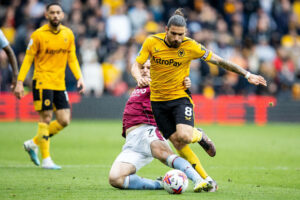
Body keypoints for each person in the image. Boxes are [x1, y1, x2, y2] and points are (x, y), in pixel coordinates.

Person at [131, 8, 267, 187]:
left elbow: (219, 61)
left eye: (181, 34)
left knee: (185, 136)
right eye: (174, 34)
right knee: (178, 145)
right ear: (166, 29)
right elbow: (136, 64)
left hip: (180, 97)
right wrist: (138, 77)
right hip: (158, 102)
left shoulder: (190, 46)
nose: (178, 38)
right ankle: (206, 179)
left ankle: (199, 135)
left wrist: (247, 74)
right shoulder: (151, 42)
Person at [109, 60, 217, 192]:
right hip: (132, 143)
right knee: (115, 179)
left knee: (167, 153)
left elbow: (174, 85)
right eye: (142, 68)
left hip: (147, 131)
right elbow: (134, 65)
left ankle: (199, 180)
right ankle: (159, 184)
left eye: (149, 68)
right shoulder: (141, 84)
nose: (145, 70)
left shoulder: (159, 84)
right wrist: (138, 75)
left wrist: (184, 82)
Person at [14, 2, 85, 170]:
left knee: (64, 120)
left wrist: (79, 77)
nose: (55, 15)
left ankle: (33, 143)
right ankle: (46, 159)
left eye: (58, 12)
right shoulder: (38, 35)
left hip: (59, 83)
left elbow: (72, 58)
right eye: (52, 12)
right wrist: (19, 82)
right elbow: (28, 59)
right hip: (42, 81)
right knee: (45, 118)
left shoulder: (68, 34)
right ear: (46, 15)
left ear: (62, 15)